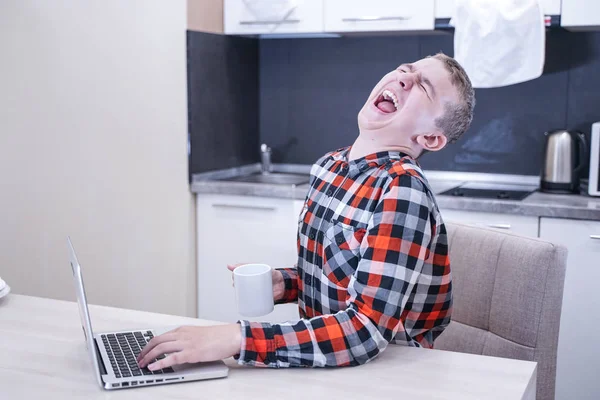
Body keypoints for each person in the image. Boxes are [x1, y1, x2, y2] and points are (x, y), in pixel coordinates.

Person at [138, 52, 475, 370]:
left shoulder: (402, 191)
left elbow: (364, 331)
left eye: (423, 87)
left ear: (430, 138)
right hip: (325, 365)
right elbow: (342, 276)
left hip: (387, 374)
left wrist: (236, 338)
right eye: (406, 69)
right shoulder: (330, 167)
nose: (405, 79)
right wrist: (285, 283)